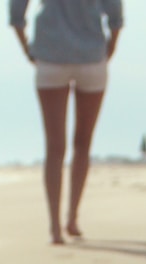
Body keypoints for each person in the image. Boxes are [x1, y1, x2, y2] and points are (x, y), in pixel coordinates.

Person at [10, 0, 124, 244]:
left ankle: (54, 227)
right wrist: (111, 44)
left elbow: (16, 10)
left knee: (54, 147)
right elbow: (115, 11)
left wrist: (25, 45)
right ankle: (72, 217)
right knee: (83, 143)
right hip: (91, 54)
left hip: (50, 54)